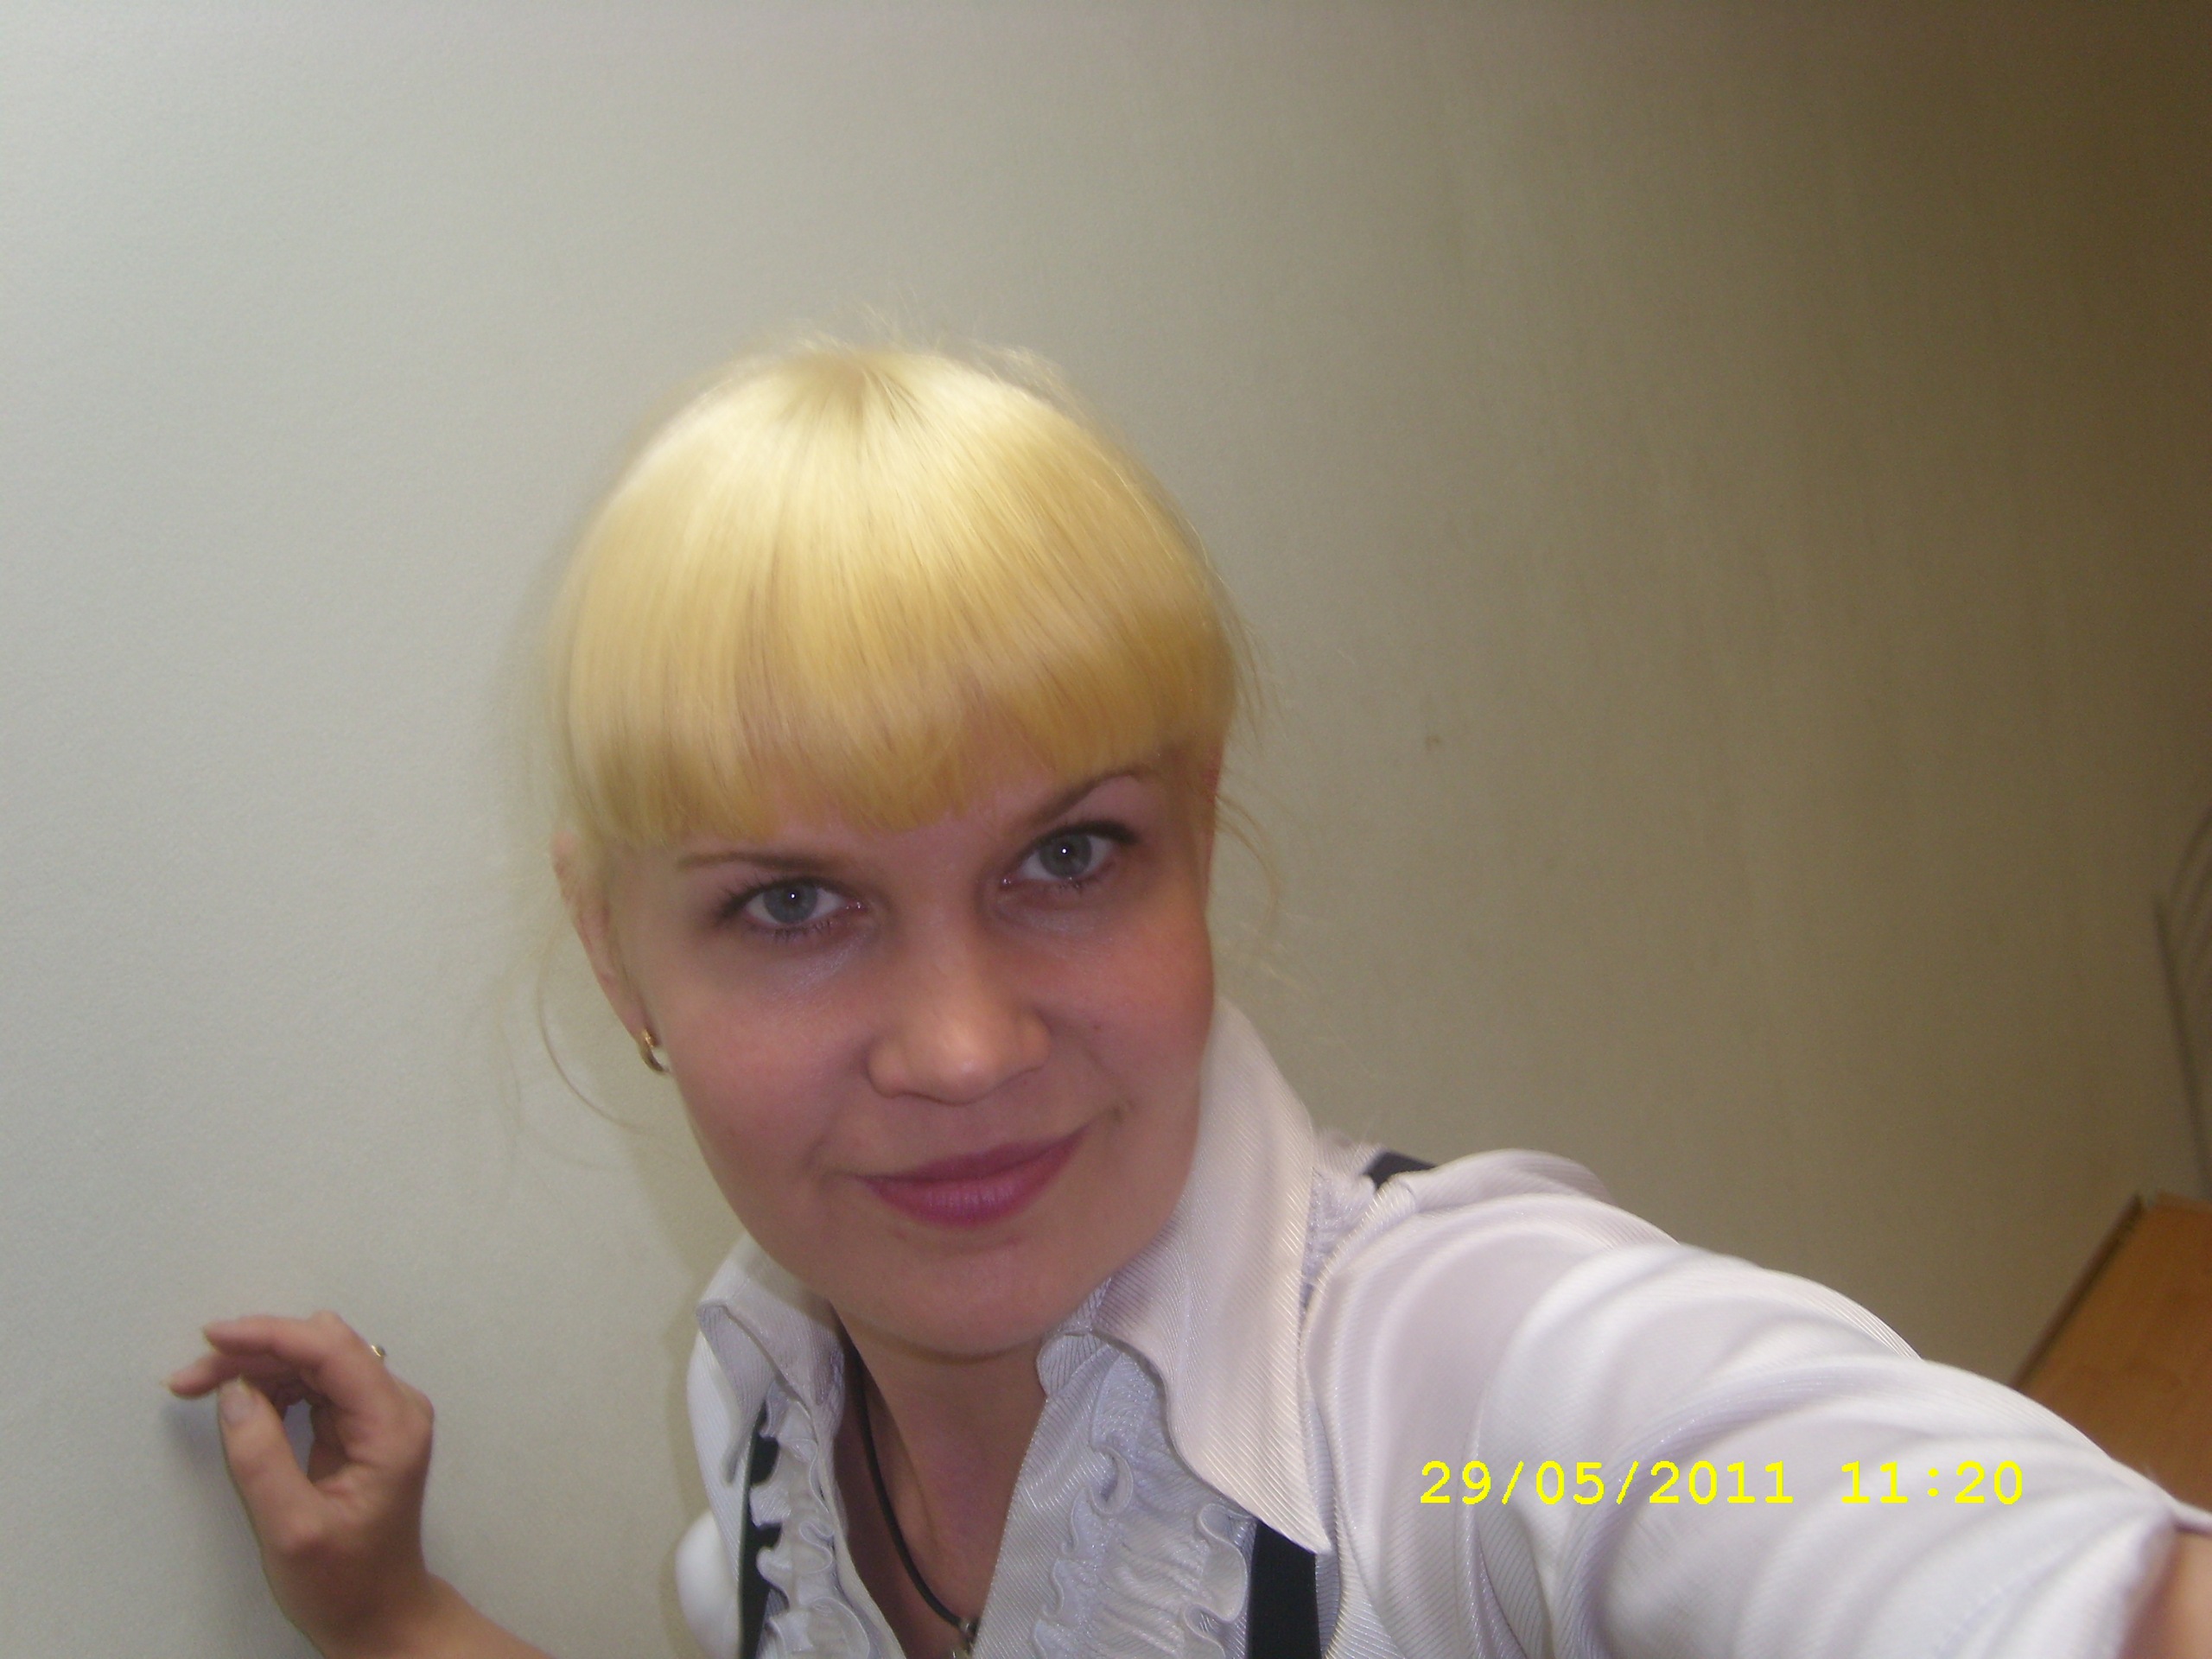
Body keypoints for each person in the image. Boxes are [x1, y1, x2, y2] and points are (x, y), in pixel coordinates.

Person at [169, 345, 2212, 1659]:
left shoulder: (1469, 1397)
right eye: (792, 902)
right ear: (616, 953)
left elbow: (1890, 1525)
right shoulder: (768, 1390)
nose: (963, 1047)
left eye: (1068, 854)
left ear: (1197, 838)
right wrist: (398, 1614)